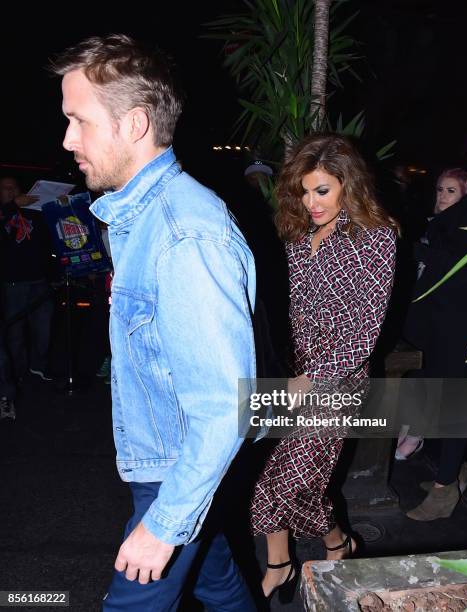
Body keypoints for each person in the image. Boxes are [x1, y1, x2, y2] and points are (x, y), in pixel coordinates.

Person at [51, 34, 257, 611]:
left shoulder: (183, 235)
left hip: (179, 465)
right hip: (170, 456)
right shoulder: (136, 218)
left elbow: (224, 405)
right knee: (216, 584)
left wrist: (164, 523)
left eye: (79, 121)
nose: (68, 140)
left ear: (135, 123)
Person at [250, 133, 397, 600]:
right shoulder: (299, 235)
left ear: (347, 186)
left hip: (337, 380)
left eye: (322, 191)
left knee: (276, 478)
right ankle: (338, 543)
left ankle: (279, 563)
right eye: (304, 191)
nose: (311, 203)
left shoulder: (374, 236)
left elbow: (365, 331)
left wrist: (311, 379)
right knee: (303, 484)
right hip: (296, 373)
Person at [404, 128, 467, 521]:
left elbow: (461, 265)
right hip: (452, 321)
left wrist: (408, 245)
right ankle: (453, 474)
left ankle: (445, 489)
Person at [395, 167, 467, 460]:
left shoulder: (465, 230)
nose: (442, 196)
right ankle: (410, 428)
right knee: (415, 373)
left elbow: (456, 269)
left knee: (431, 377)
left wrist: (416, 251)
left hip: (447, 317)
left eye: (450, 190)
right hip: (420, 310)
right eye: (440, 189)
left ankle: (416, 434)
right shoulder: (433, 223)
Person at [0, 176, 54, 388]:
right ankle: (16, 371)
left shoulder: (32, 211)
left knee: (44, 328)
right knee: (15, 331)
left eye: (15, 187)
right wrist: (13, 206)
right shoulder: (5, 213)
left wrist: (56, 205)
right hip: (13, 282)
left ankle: (39, 365)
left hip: (39, 279)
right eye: (6, 188)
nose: (12, 191)